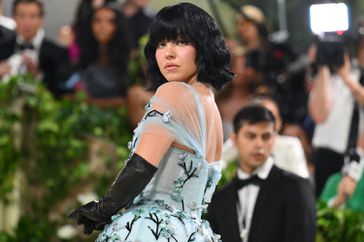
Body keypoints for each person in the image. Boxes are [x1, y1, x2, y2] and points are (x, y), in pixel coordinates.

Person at [68, 2, 233, 241]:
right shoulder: (211, 107)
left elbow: (141, 166)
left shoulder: (173, 92)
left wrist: (102, 209)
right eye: (161, 44)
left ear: (203, 46)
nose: (168, 53)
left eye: (181, 42)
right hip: (195, 232)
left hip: (151, 228)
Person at [207, 104, 316, 242]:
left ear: (274, 139)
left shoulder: (296, 187)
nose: (259, 144)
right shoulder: (220, 199)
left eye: (266, 137)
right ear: (234, 139)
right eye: (251, 136)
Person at [309, 29, 364, 196]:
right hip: (325, 157)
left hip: (357, 160)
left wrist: (347, 78)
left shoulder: (357, 78)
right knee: (325, 212)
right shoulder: (327, 79)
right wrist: (323, 66)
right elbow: (319, 114)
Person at [222, 95, 310, 178]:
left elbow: (302, 182)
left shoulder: (290, 145)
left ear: (280, 122)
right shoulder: (238, 141)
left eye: (271, 118)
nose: (259, 144)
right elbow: (219, 167)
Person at [0, 0, 71, 98]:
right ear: (14, 17)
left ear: (41, 19)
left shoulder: (57, 53)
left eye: (32, 16)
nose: (27, 22)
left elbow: (63, 90)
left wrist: (38, 75)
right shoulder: (2, 48)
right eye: (21, 16)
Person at [65, 3, 131, 107]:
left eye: (110, 21)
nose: (103, 26)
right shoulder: (83, 54)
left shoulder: (129, 58)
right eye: (97, 21)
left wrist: (93, 102)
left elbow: (129, 99)